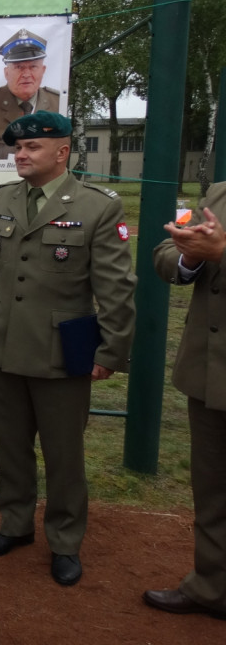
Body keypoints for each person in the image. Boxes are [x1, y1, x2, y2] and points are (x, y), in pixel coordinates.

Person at [0, 111, 136, 587]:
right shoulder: (2, 198)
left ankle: (64, 540)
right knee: (11, 447)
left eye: (31, 148)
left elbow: (117, 288)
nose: (20, 154)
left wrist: (109, 352)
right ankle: (15, 525)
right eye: (17, 148)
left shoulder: (97, 206)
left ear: (62, 152)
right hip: (3, 345)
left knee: (64, 455)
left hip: (64, 350)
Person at [145, 187, 226, 620]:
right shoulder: (220, 193)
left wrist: (222, 251)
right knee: (212, 491)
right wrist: (189, 255)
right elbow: (164, 253)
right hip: (209, 373)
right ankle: (213, 587)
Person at [0, 29, 60, 160]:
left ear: (43, 71)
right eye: (19, 67)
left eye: (33, 67)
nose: (26, 74)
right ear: (6, 72)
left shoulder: (58, 102)